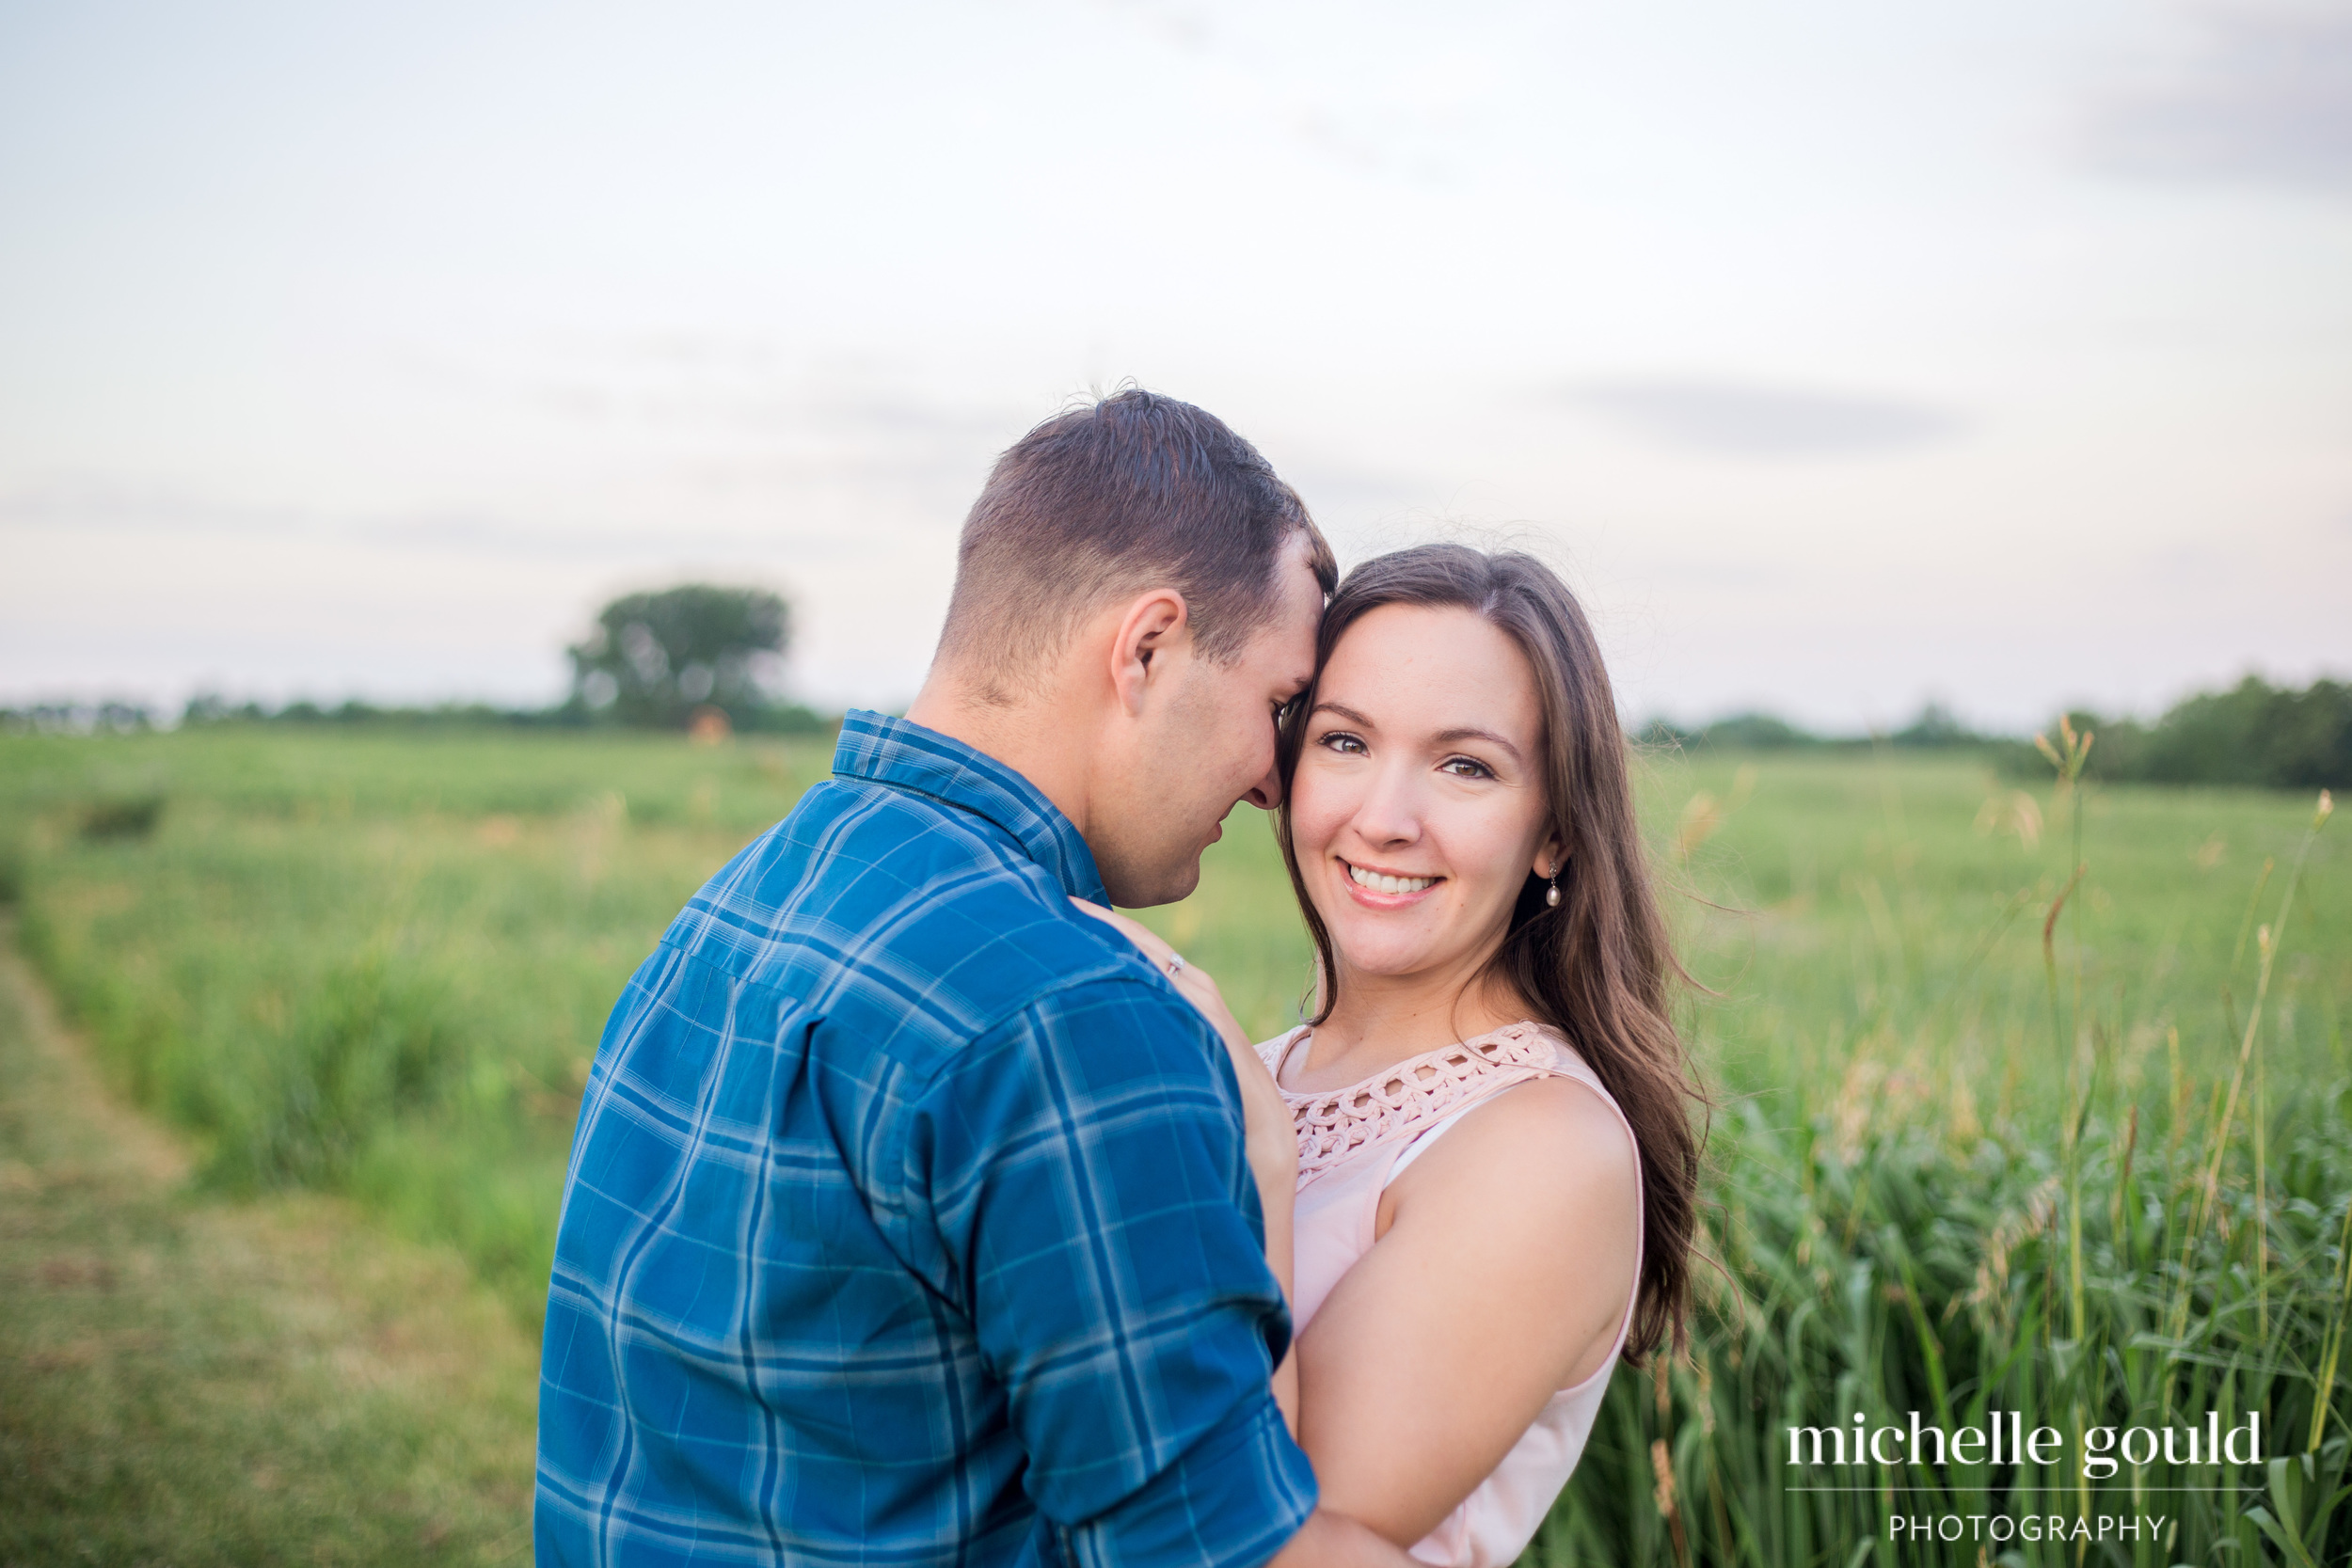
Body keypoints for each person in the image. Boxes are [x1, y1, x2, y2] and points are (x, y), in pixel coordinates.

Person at [534, 389, 1419, 1568]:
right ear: (1146, 647)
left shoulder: (745, 899)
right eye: (1275, 705)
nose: (1274, 779)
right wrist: (1260, 1159)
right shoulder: (1073, 1016)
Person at [1089, 543, 1707, 1567]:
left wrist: (1266, 1170)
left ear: (1553, 832)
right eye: (1343, 741)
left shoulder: (1540, 1146)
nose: (1383, 818)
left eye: (1465, 765)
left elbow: (1267, 1530)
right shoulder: (1265, 1066)